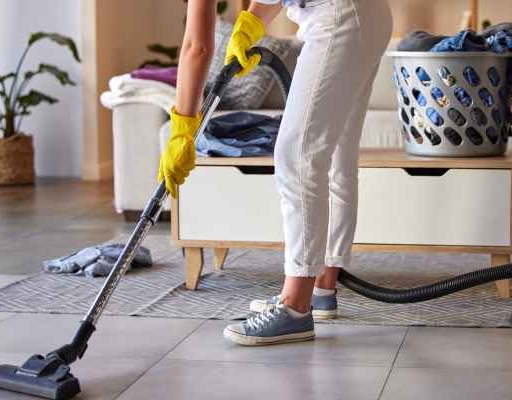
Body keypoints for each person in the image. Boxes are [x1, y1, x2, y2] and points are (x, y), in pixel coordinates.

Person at [159, 0, 393, 346]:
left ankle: (295, 307)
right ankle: (319, 291)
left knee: (297, 155)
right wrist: (251, 22)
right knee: (335, 156)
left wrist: (182, 128)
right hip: (367, 16)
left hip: (339, 16)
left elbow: (198, 45)